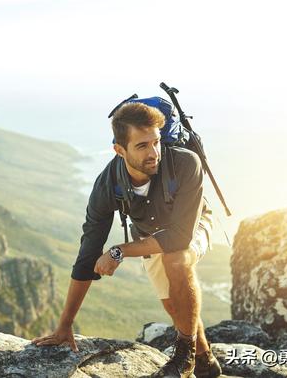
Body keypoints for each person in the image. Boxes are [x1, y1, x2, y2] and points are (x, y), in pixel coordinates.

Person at [31, 102, 222, 378]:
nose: (154, 152)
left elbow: (180, 237)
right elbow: (88, 254)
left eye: (156, 142)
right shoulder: (108, 185)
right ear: (119, 150)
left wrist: (119, 251)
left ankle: (183, 358)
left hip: (192, 224)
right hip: (148, 236)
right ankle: (204, 360)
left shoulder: (184, 163)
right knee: (174, 305)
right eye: (142, 146)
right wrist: (64, 326)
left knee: (177, 260)